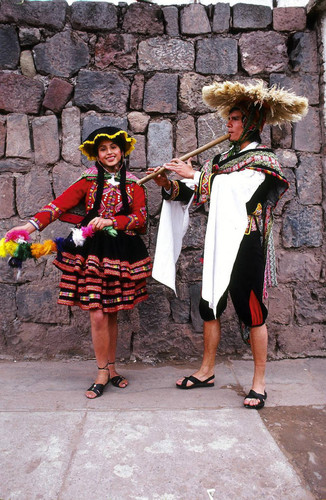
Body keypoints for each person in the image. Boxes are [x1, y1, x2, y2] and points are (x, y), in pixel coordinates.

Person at [149, 80, 308, 410]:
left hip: (247, 246)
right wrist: (171, 184)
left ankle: (259, 382)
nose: (228, 124)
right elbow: (199, 192)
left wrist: (193, 174)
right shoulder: (222, 159)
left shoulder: (264, 161)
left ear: (251, 122)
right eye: (230, 118)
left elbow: (236, 191)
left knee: (253, 312)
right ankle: (206, 371)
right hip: (219, 243)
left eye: (235, 119)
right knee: (210, 305)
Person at [6, 127, 152, 399]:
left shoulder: (134, 184)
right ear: (96, 155)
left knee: (111, 311)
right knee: (96, 311)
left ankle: (112, 368)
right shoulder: (86, 181)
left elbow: (140, 220)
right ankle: (100, 371)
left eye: (113, 148)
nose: (109, 153)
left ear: (122, 150)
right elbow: (57, 206)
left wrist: (112, 221)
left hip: (121, 252)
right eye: (103, 149)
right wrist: (28, 227)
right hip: (91, 253)